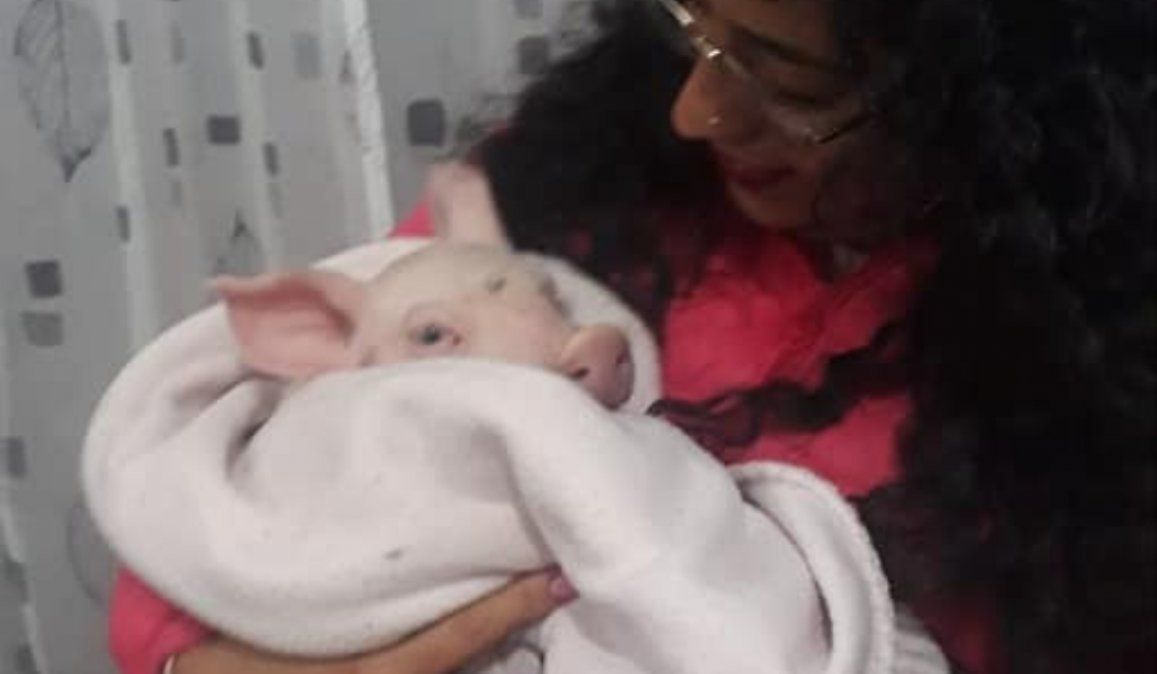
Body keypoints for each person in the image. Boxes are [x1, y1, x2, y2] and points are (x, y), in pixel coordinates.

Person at [108, 0, 1155, 673]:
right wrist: (197, 659)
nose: (697, 111)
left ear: (994, 108)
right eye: (691, 25)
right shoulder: (559, 185)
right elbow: (241, 478)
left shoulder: (1092, 381)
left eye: (786, 80)